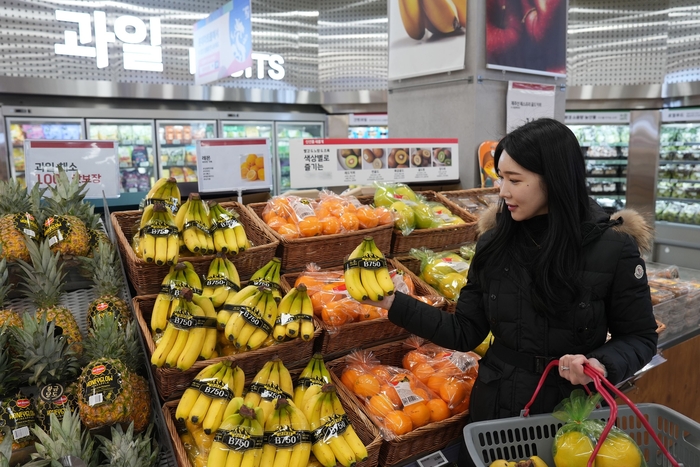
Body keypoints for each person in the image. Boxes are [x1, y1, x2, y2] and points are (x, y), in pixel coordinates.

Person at [369, 118, 658, 466]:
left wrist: (601, 363)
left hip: (568, 414)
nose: (502, 191)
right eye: (500, 178)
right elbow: (465, 331)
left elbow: (640, 336)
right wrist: (392, 302)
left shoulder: (611, 249)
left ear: (554, 179)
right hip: (494, 409)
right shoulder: (495, 242)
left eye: (514, 180)